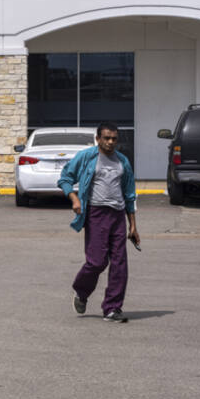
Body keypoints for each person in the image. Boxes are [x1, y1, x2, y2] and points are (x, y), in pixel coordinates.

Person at [58, 122, 139, 322]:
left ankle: (112, 308)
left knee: (120, 264)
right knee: (96, 262)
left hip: (118, 215)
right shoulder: (87, 157)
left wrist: (133, 225)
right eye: (107, 138)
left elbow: (129, 194)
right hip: (95, 214)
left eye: (114, 139)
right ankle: (81, 292)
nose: (111, 142)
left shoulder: (122, 161)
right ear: (98, 138)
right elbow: (65, 178)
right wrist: (74, 198)